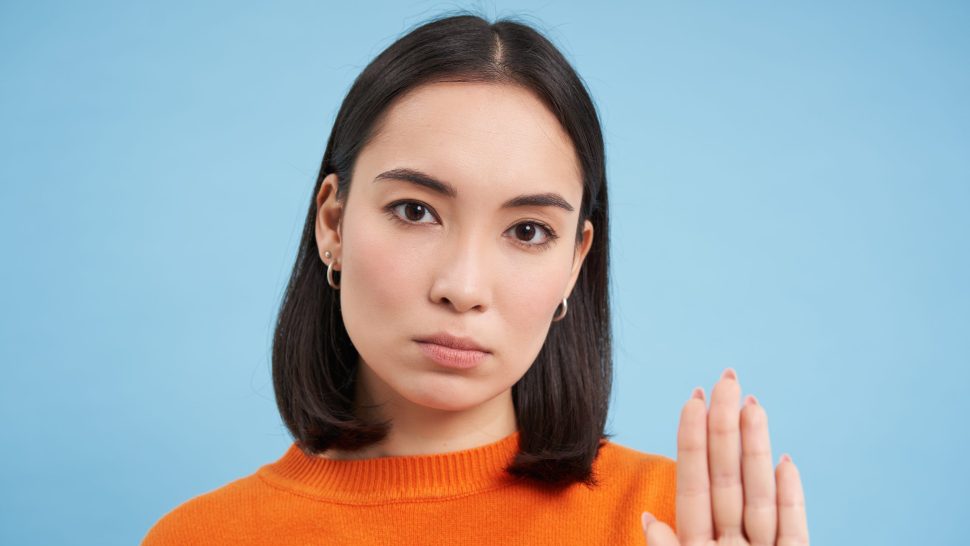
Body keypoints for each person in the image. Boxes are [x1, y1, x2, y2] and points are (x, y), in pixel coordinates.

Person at [141, 12, 808, 545]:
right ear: (333, 224)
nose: (462, 288)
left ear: (575, 263)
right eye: (415, 211)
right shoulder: (201, 538)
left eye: (528, 231)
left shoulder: (674, 526)